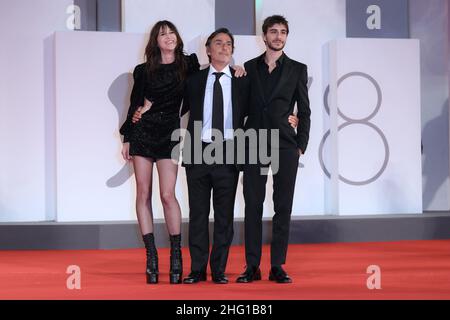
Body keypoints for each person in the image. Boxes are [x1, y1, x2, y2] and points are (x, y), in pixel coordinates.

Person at [119, 20, 200, 284]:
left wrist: (234, 68)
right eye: (162, 34)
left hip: (170, 133)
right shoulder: (144, 70)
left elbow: (202, 87)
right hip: (143, 132)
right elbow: (134, 105)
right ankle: (151, 256)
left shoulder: (188, 65)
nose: (168, 37)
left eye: (171, 32)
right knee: (143, 193)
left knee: (167, 194)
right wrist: (128, 137)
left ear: (177, 37)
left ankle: (176, 256)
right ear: (155, 41)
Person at [237, 15, 311, 284]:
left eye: (283, 32)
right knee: (253, 206)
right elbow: (241, 107)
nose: (278, 36)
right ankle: (252, 266)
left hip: (285, 145)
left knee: (283, 207)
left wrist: (301, 144)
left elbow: (304, 110)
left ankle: (277, 265)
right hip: (253, 144)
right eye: (273, 32)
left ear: (286, 36)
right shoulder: (248, 67)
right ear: (264, 36)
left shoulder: (297, 69)